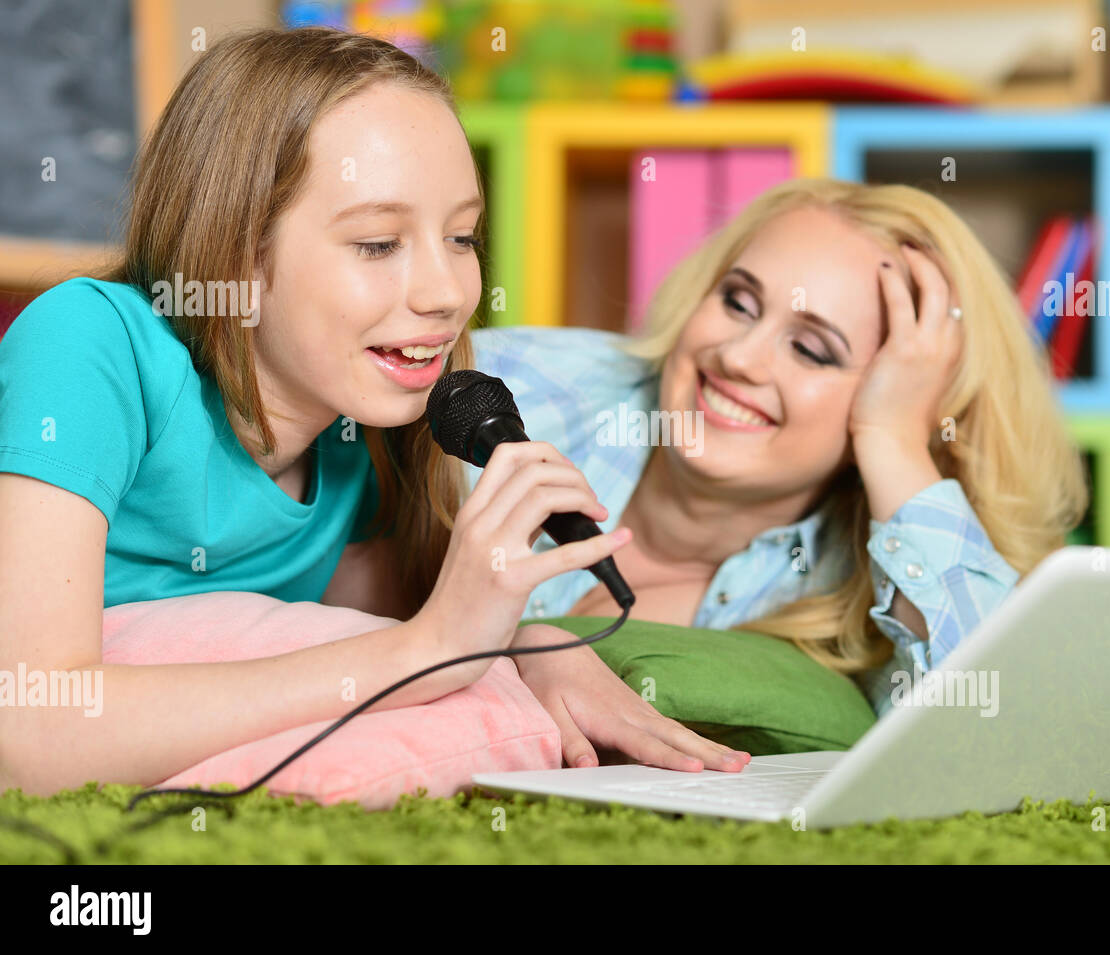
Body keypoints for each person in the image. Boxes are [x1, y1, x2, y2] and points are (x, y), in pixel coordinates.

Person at [0, 28, 743, 797]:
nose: (448, 292)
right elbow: (28, 729)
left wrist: (521, 646)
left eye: (461, 236)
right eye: (379, 243)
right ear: (232, 254)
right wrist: (429, 649)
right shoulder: (88, 343)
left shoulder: (364, 433)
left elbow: (351, 661)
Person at [461, 178, 1089, 765]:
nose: (738, 358)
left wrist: (895, 441)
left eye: (812, 349)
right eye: (738, 302)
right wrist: (510, 662)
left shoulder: (868, 577)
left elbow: (1008, 739)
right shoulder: (516, 384)